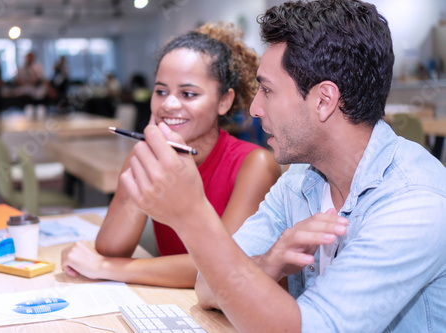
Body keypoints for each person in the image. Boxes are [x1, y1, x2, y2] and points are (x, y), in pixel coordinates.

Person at [118, 0, 446, 332]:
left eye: (267, 90)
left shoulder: (417, 204)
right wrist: (270, 262)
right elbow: (207, 287)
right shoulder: (301, 180)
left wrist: (192, 216)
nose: (256, 108)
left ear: (323, 100)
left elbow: (311, 328)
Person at [61, 22, 281, 288]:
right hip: (175, 302)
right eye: (161, 91)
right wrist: (145, 185)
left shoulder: (254, 164)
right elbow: (111, 248)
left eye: (188, 93)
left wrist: (104, 267)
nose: (168, 104)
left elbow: (224, 267)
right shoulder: (144, 156)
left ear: (224, 101)